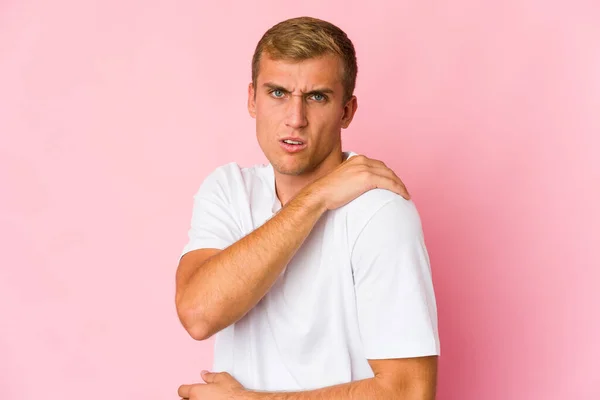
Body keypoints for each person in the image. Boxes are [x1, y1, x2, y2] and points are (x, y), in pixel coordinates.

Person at [175, 16, 440, 400]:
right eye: (278, 93)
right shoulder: (230, 190)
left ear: (346, 111)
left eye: (317, 97)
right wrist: (316, 199)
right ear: (252, 99)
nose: (295, 119)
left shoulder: (380, 211)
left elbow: (410, 391)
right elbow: (199, 316)